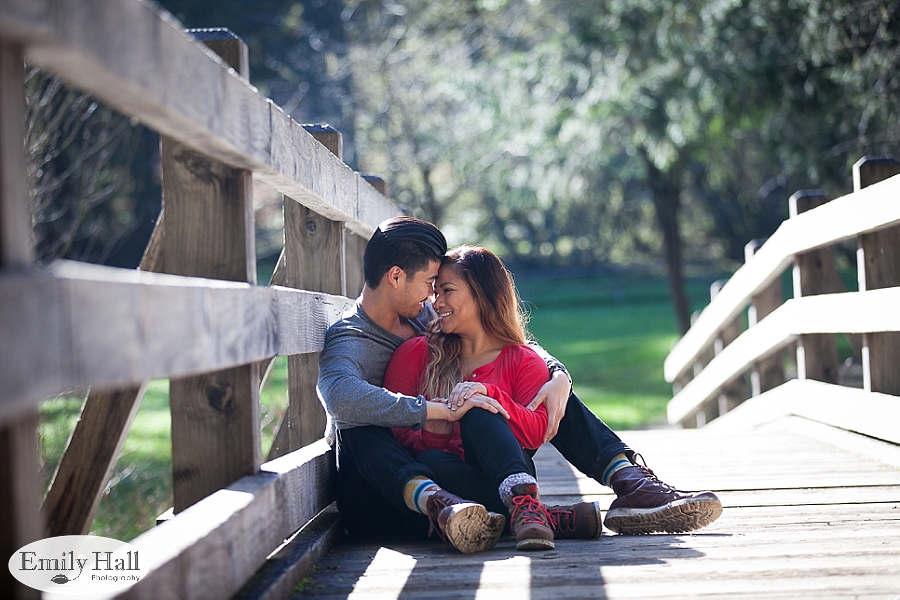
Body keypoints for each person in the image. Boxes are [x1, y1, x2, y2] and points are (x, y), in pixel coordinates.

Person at [317, 217, 721, 553]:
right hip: (384, 481)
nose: (432, 298)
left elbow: (501, 339)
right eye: (429, 283)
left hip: (448, 472)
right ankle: (540, 515)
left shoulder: (422, 320)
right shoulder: (350, 338)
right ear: (395, 276)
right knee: (360, 426)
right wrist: (435, 412)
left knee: (526, 398)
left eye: (441, 289)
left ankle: (627, 478)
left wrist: (556, 373)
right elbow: (339, 398)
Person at [384, 245, 603, 549]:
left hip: (507, 469)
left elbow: (538, 432)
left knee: (479, 409)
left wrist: (490, 395)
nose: (436, 302)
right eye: (435, 292)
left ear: (482, 294)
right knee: (433, 460)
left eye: (447, 290)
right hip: (446, 484)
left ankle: (522, 500)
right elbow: (393, 434)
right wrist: (435, 434)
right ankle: (536, 515)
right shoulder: (415, 354)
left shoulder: (523, 359)